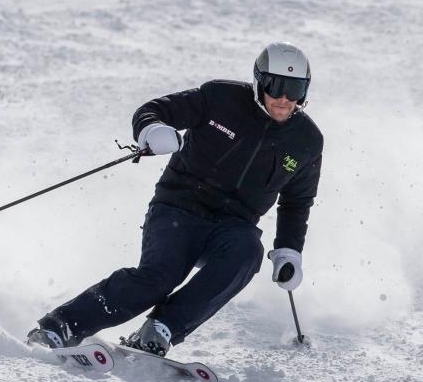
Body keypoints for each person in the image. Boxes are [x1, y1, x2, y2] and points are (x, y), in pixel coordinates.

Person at [27, 41, 324, 356]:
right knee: (159, 278)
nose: (284, 98)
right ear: (259, 82)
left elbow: (296, 201)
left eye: (294, 89)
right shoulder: (220, 98)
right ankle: (60, 327)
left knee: (249, 252)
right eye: (276, 86)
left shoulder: (307, 141)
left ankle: (161, 328)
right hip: (179, 209)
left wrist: (290, 251)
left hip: (233, 227)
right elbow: (154, 111)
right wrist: (152, 130)